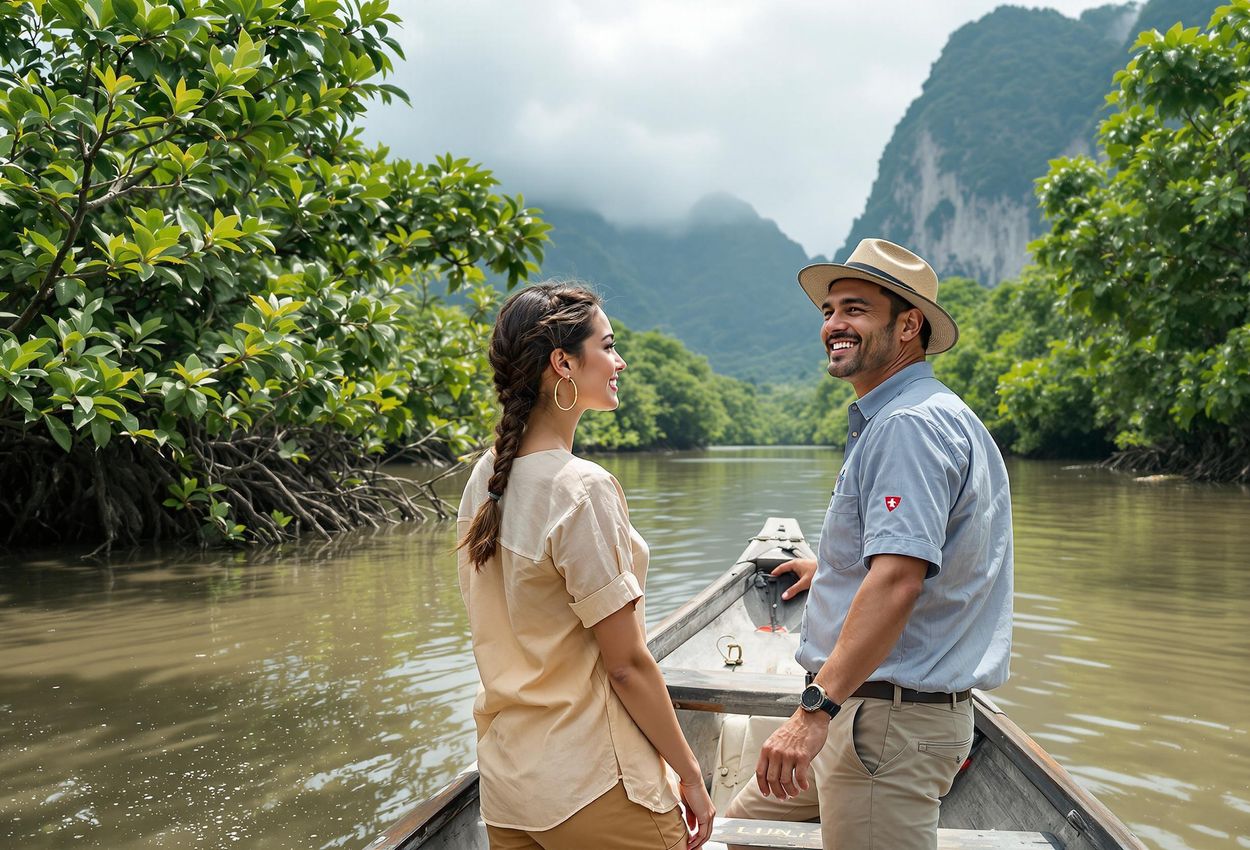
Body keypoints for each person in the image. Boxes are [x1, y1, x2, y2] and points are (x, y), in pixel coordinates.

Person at [723, 239, 1013, 850]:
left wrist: (812, 713)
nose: (833, 326)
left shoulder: (908, 425)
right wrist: (833, 570)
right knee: (744, 833)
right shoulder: (926, 413)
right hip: (860, 713)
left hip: (881, 728)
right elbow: (906, 558)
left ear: (909, 325)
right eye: (828, 311)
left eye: (855, 310)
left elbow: (899, 580)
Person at [457, 282, 715, 850]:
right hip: (590, 782)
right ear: (563, 363)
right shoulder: (582, 489)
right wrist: (692, 777)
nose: (620, 361)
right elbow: (625, 665)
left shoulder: (485, 478)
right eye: (608, 346)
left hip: (509, 787)